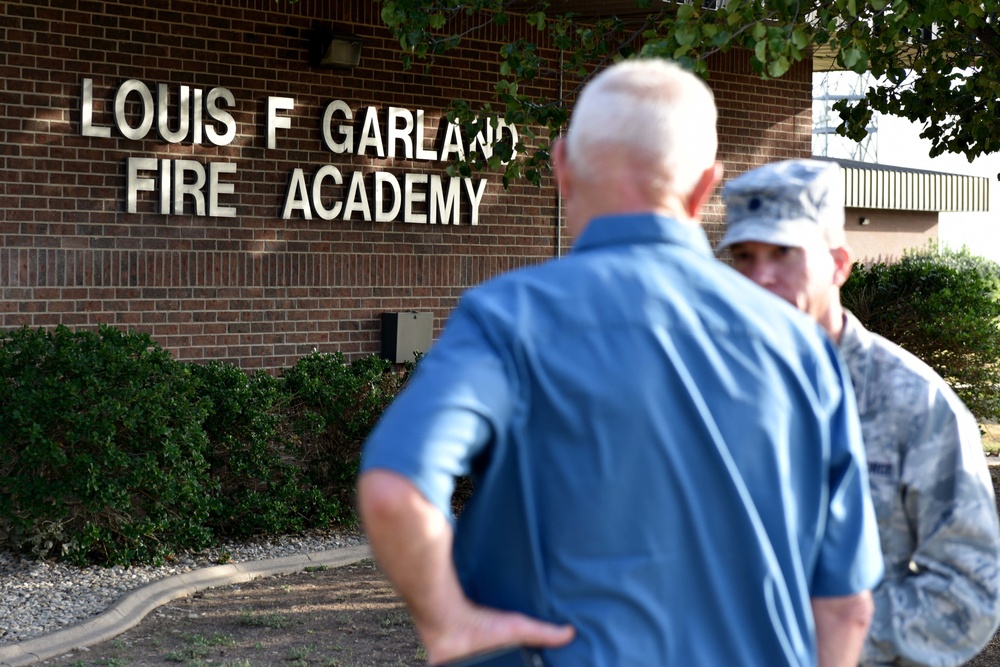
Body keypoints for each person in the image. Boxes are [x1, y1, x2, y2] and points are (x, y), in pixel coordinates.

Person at [357, 60, 883, 667]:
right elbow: (847, 606)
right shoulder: (801, 346)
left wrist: (449, 622)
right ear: (705, 186)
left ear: (561, 165)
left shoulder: (507, 318)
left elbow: (397, 489)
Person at [719, 158, 1000, 667]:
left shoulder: (916, 404)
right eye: (743, 255)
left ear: (839, 264)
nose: (760, 277)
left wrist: (819, 635)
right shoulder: (708, 390)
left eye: (784, 253)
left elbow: (970, 594)